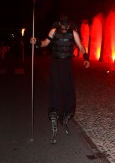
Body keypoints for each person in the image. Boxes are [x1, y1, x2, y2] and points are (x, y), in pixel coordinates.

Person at [30, 13, 90, 144]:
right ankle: (54, 112)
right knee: (55, 87)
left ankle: (66, 114)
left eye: (66, 26)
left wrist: (86, 58)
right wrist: (37, 42)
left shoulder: (73, 33)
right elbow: (45, 43)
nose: (64, 28)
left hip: (67, 63)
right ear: (59, 24)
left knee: (68, 89)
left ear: (68, 25)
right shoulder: (53, 31)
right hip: (55, 63)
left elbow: (80, 46)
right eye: (63, 26)